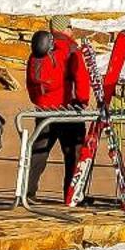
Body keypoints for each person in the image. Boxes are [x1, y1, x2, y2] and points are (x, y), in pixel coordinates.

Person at [24, 28, 90, 203]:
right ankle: (73, 194)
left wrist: (39, 101)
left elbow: (31, 81)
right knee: (74, 153)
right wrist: (83, 100)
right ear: (65, 28)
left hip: (44, 110)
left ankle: (27, 191)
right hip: (67, 108)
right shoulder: (70, 48)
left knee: (39, 150)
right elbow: (81, 76)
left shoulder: (38, 48)